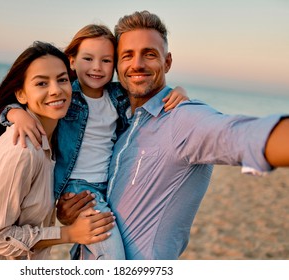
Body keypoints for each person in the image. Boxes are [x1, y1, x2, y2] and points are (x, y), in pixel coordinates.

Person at [56, 11, 289, 260]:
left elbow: (238, 135)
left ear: (167, 62)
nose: (137, 64)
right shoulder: (121, 120)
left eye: (149, 54)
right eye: (127, 56)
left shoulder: (183, 119)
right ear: (118, 65)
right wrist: (69, 211)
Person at [0, 24, 189, 259]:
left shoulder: (117, 96)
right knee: (111, 257)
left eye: (107, 61)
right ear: (72, 61)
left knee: (89, 251)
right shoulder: (67, 95)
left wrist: (177, 91)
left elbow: (148, 92)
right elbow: (28, 103)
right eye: (88, 59)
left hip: (110, 186)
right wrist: (15, 113)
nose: (97, 68)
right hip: (81, 190)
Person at [0, 41, 115, 260]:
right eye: (41, 83)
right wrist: (69, 234)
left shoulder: (54, 142)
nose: (56, 90)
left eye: (62, 80)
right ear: (22, 94)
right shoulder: (22, 150)